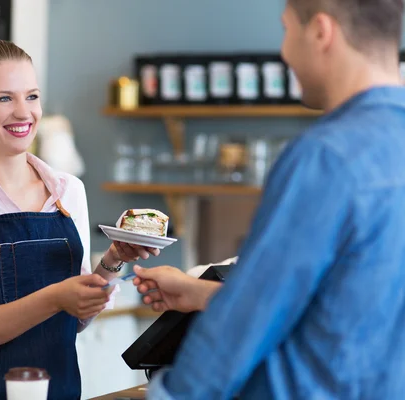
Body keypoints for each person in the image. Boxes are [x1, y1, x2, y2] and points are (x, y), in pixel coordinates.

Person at [132, 0, 405, 398]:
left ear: (320, 32)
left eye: (287, 29)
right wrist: (204, 294)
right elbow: (345, 301)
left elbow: (248, 318)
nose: (284, 51)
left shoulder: (325, 156)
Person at [0, 40, 159, 400]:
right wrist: (53, 299)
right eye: (5, 98)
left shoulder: (68, 192)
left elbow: (76, 319)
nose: (23, 112)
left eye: (31, 97)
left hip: (58, 391)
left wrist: (113, 261)